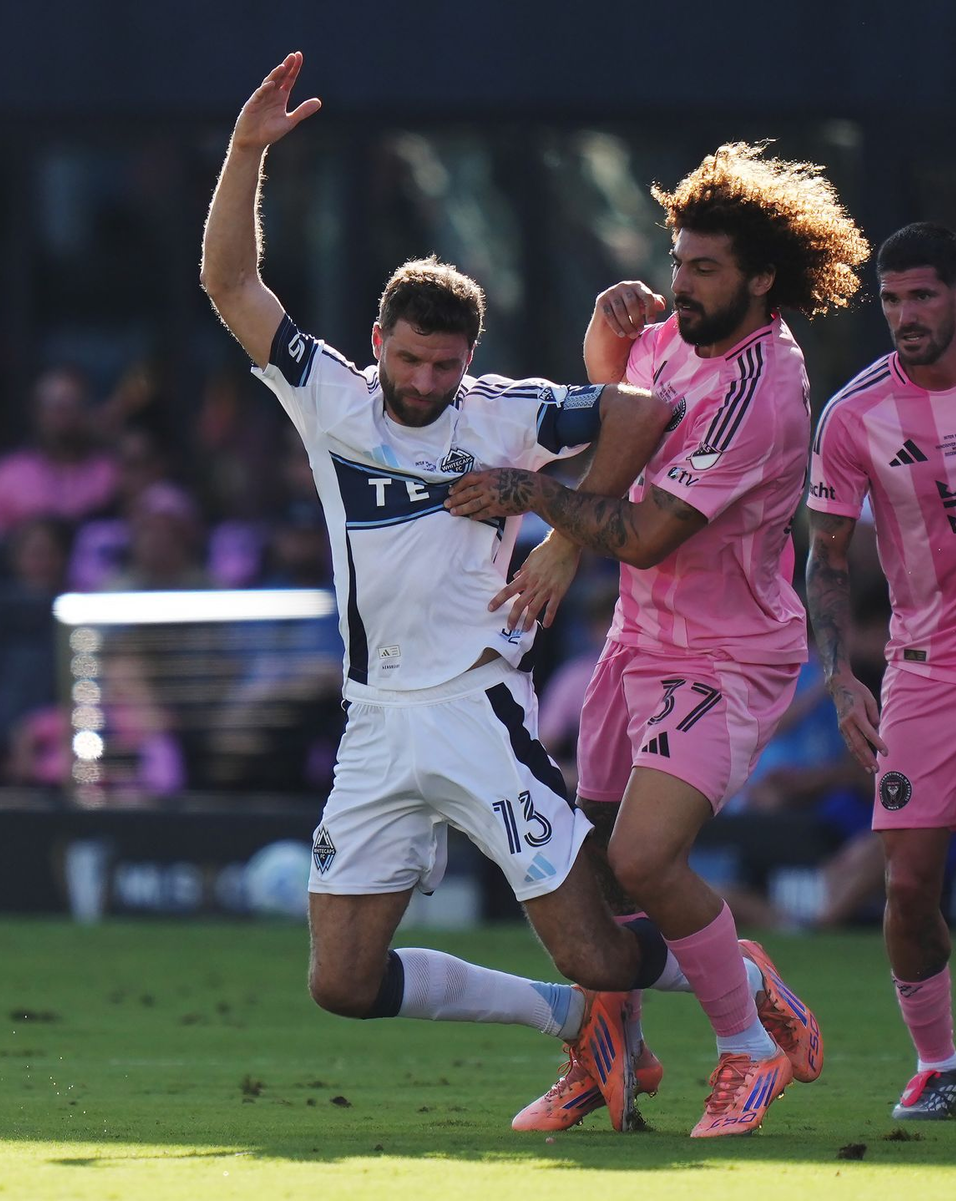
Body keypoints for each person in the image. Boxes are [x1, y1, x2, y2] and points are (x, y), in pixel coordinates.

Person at [201, 52, 716, 1135]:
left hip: (477, 705)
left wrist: (567, 533)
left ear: (469, 356)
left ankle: (746, 986)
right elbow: (230, 287)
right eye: (413, 360)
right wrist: (248, 151)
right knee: (341, 979)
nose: (428, 383)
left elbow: (639, 413)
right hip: (375, 720)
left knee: (602, 944)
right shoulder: (334, 400)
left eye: (447, 365)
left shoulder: (505, 411)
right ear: (380, 342)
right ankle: (569, 1019)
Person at [448, 141, 869, 1136]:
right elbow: (628, 423)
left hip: (728, 657)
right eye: (678, 260)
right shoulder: (680, 334)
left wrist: (531, 496)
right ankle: (612, 1054)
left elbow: (641, 534)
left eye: (705, 268)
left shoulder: (763, 392)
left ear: (762, 277)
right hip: (641, 641)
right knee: (586, 868)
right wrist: (604, 342)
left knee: (643, 856)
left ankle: (747, 1046)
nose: (681, 284)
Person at [806, 221, 956, 1120]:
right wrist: (837, 674)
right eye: (892, 299)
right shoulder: (855, 414)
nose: (905, 315)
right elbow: (825, 557)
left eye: (925, 295)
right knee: (906, 884)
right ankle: (939, 1064)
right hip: (924, 666)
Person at [0, 366, 119, 538]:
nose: (63, 415)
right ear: (36, 412)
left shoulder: (112, 471)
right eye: (55, 405)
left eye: (73, 404)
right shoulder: (3, 477)